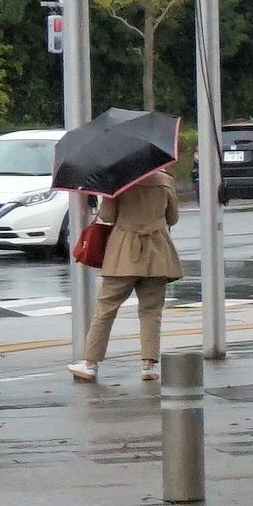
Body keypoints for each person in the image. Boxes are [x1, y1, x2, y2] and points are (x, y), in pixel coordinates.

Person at [68, 164, 182, 385]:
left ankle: (90, 364)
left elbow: (108, 216)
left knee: (106, 309)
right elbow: (173, 217)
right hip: (158, 251)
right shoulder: (165, 181)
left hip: (123, 252)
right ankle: (148, 365)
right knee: (151, 312)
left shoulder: (118, 181)